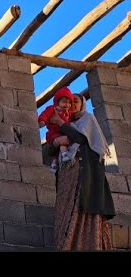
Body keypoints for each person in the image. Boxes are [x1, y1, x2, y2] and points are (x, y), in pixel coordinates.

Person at [47, 92, 115, 251]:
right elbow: (51, 148)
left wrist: (60, 123)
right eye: (69, 102)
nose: (72, 105)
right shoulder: (66, 122)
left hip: (84, 175)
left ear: (82, 104)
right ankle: (65, 243)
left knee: (80, 207)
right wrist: (57, 140)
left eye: (75, 101)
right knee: (64, 209)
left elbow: (80, 138)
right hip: (66, 176)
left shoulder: (87, 119)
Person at [38, 86, 73, 172]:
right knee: (62, 144)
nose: (67, 105)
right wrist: (42, 120)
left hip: (62, 133)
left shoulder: (68, 113)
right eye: (64, 102)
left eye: (69, 103)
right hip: (53, 133)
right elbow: (45, 114)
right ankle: (65, 156)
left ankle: (54, 165)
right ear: (57, 102)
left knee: (58, 149)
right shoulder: (52, 109)